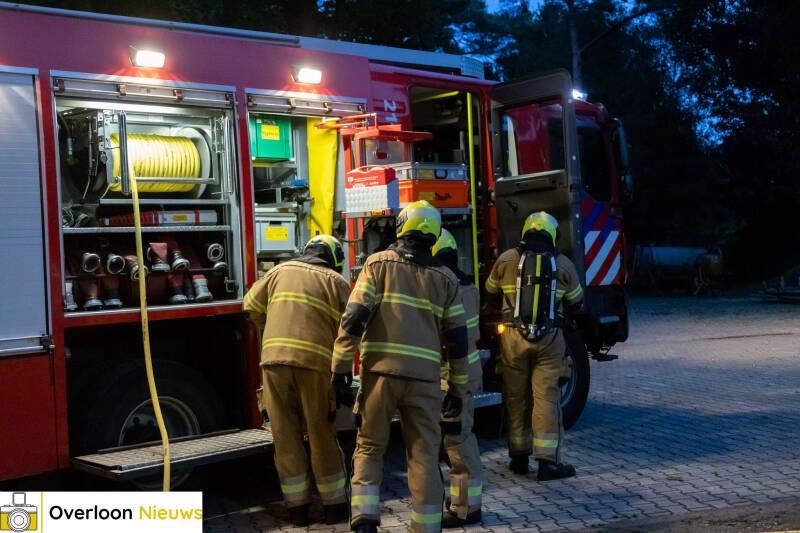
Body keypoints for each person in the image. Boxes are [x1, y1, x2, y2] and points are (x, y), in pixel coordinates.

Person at [332, 200, 470, 533]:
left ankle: (364, 520)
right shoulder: (447, 279)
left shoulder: (377, 265)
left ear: (402, 226)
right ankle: (426, 526)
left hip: (380, 376)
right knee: (424, 453)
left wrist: (340, 368)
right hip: (424, 381)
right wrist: (458, 387)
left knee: (369, 446)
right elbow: (458, 342)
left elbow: (354, 318)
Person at [243, 234, 351, 526]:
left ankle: (297, 510)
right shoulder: (336, 282)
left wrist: (271, 329)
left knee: (285, 437)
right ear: (335, 259)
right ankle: (334, 508)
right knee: (320, 434)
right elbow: (351, 328)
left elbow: (249, 306)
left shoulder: (278, 271)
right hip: (314, 365)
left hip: (273, 363)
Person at [485, 211, 584, 481]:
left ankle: (518, 458)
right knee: (546, 399)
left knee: (516, 397)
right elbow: (577, 303)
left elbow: (490, 294)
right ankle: (547, 463)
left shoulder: (506, 259)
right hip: (550, 340)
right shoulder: (563, 264)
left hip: (512, 338)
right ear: (553, 235)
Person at [432, 229, 483, 527]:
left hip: (450, 374)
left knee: (458, 440)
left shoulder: (443, 287)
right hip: (465, 372)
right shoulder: (468, 285)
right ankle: (460, 502)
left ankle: (466, 508)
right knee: (455, 438)